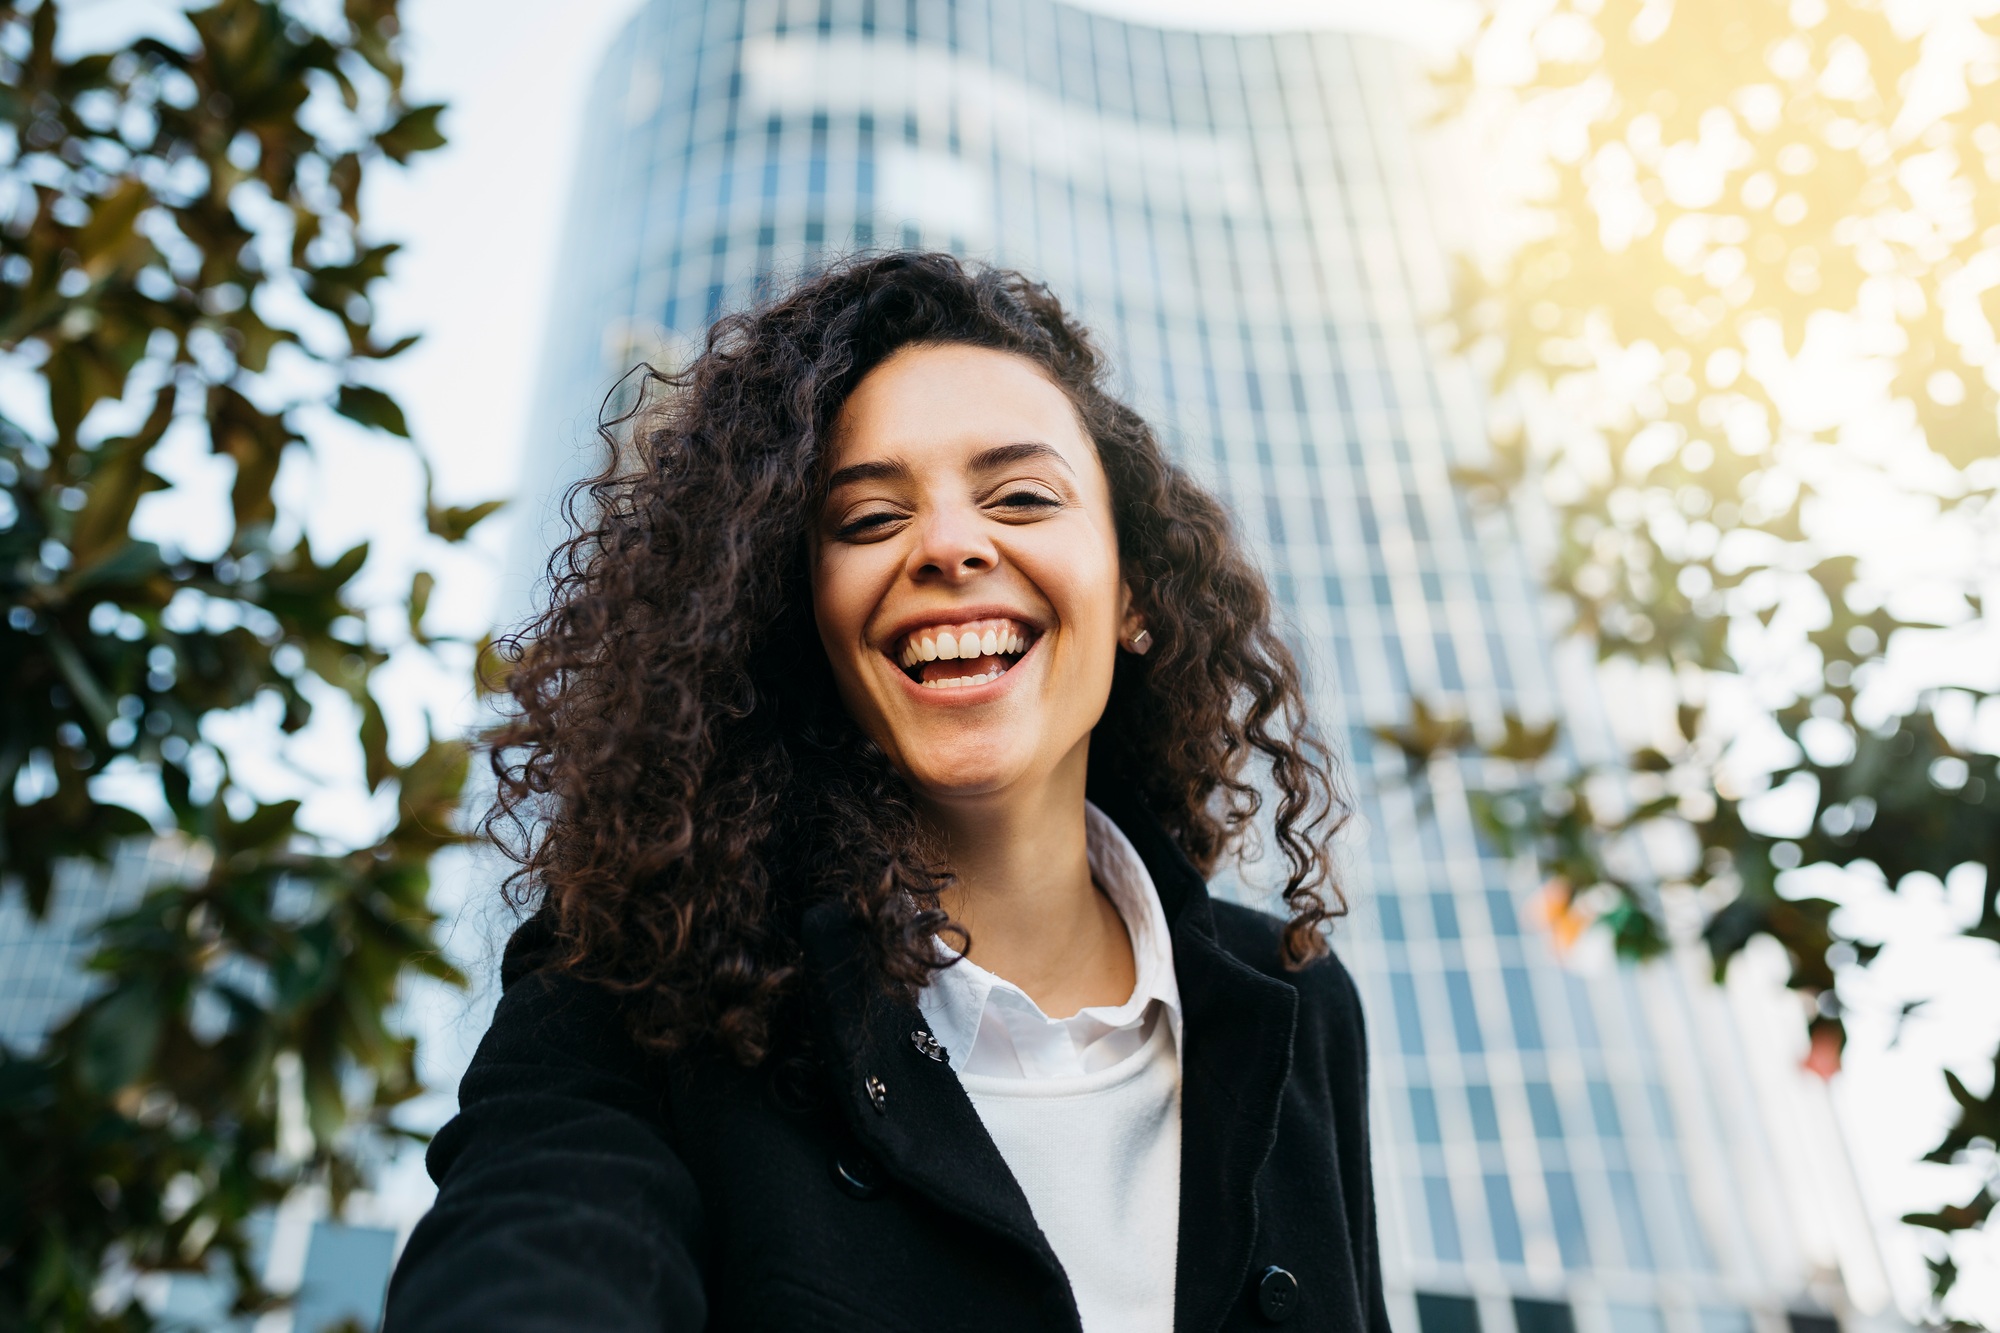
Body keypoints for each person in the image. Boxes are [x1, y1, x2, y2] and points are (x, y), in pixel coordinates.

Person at [385, 253, 1388, 1333]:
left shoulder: (1296, 1001)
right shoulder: (644, 974)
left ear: (1134, 590)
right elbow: (534, 1258)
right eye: (866, 520)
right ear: (798, 618)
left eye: (1019, 496)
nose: (949, 546)